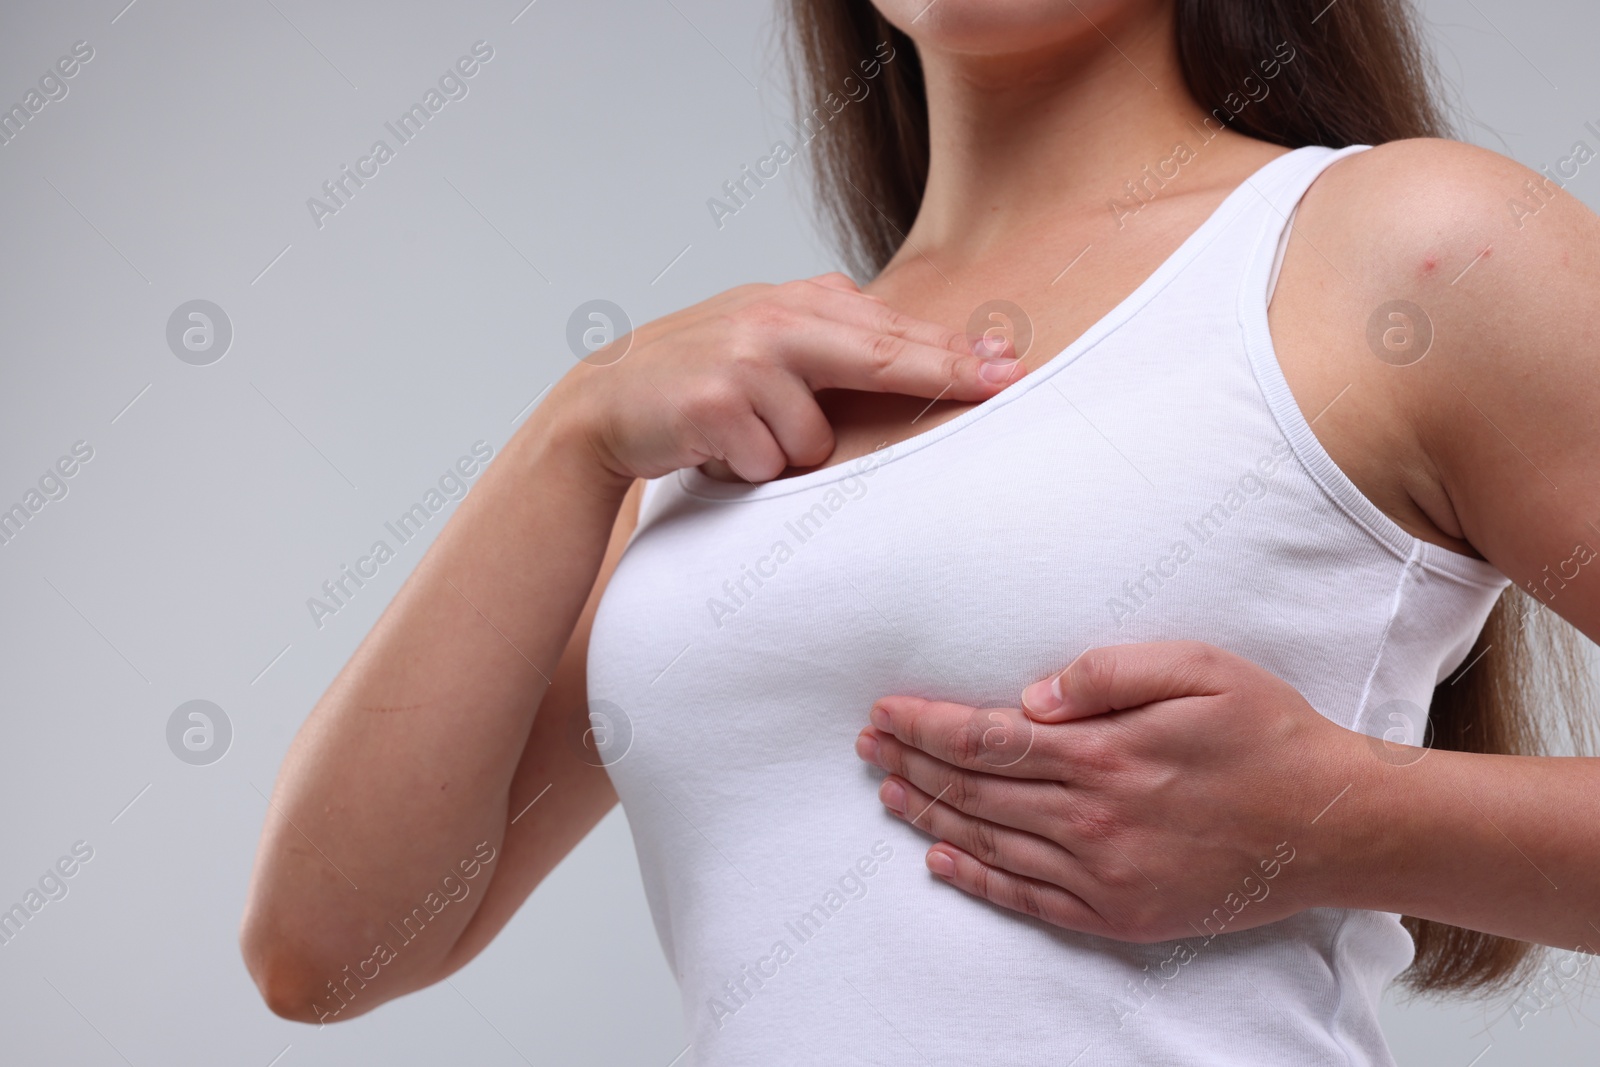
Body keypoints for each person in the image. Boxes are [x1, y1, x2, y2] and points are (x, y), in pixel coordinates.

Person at [240, 1, 1600, 1063]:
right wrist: (574, 429)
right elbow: (325, 949)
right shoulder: (729, 404)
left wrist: (1350, 821)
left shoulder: (1410, 246)